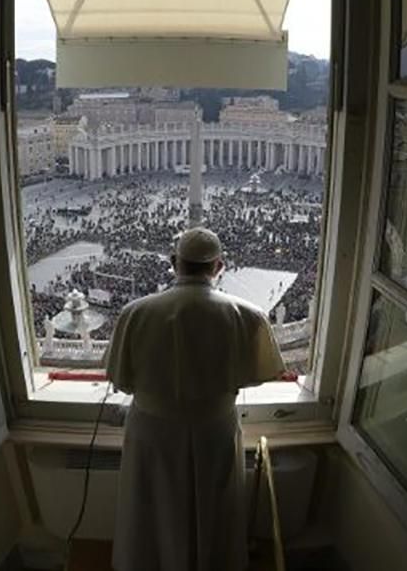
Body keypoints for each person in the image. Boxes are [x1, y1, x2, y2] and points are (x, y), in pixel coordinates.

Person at [104, 227, 285, 571]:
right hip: (214, 428)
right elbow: (262, 372)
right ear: (220, 266)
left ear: (174, 263)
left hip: (151, 431)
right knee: (215, 507)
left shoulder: (135, 313)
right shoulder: (247, 315)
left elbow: (122, 381)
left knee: (151, 506)